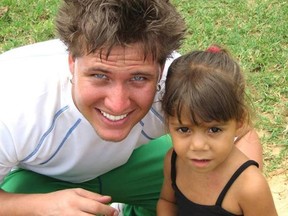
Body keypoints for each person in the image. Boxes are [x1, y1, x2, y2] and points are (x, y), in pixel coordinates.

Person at [0, 0, 262, 215]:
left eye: (139, 78)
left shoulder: (181, 83)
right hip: (43, 181)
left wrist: (242, 190)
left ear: (161, 69)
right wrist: (42, 206)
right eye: (99, 76)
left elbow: (243, 131)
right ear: (72, 62)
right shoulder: (13, 103)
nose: (117, 103)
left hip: (137, 165)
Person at [156, 46, 278, 216]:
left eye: (214, 129)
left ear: (239, 121)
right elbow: (167, 202)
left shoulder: (250, 187)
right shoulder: (174, 161)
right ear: (169, 121)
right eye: (184, 129)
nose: (198, 145)